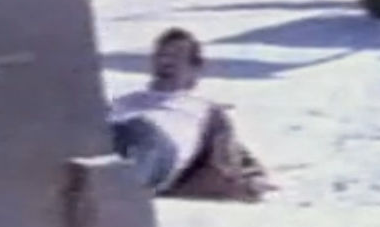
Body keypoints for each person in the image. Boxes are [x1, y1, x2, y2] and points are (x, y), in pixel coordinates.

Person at [108, 27, 271, 202]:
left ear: (196, 67)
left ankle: (115, 191)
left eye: (176, 57)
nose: (165, 62)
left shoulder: (206, 108)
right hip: (113, 136)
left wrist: (251, 180)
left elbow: (234, 157)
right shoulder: (125, 100)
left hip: (158, 150)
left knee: (139, 131)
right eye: (160, 56)